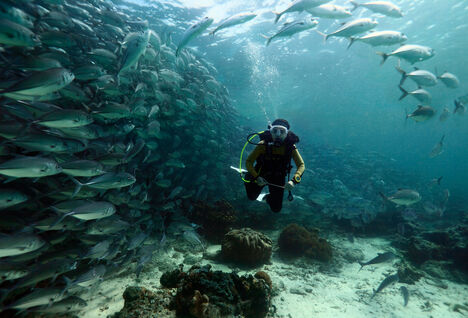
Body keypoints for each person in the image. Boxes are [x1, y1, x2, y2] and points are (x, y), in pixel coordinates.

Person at [244, 119, 305, 212]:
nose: (278, 134)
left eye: (282, 131)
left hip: (278, 177)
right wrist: (256, 177)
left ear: (287, 133)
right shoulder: (263, 144)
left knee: (276, 209)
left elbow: (301, 165)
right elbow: (248, 162)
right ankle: (248, 176)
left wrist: (294, 181)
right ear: (270, 131)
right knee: (251, 197)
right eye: (274, 130)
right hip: (261, 174)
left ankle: (268, 197)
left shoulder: (290, 147)